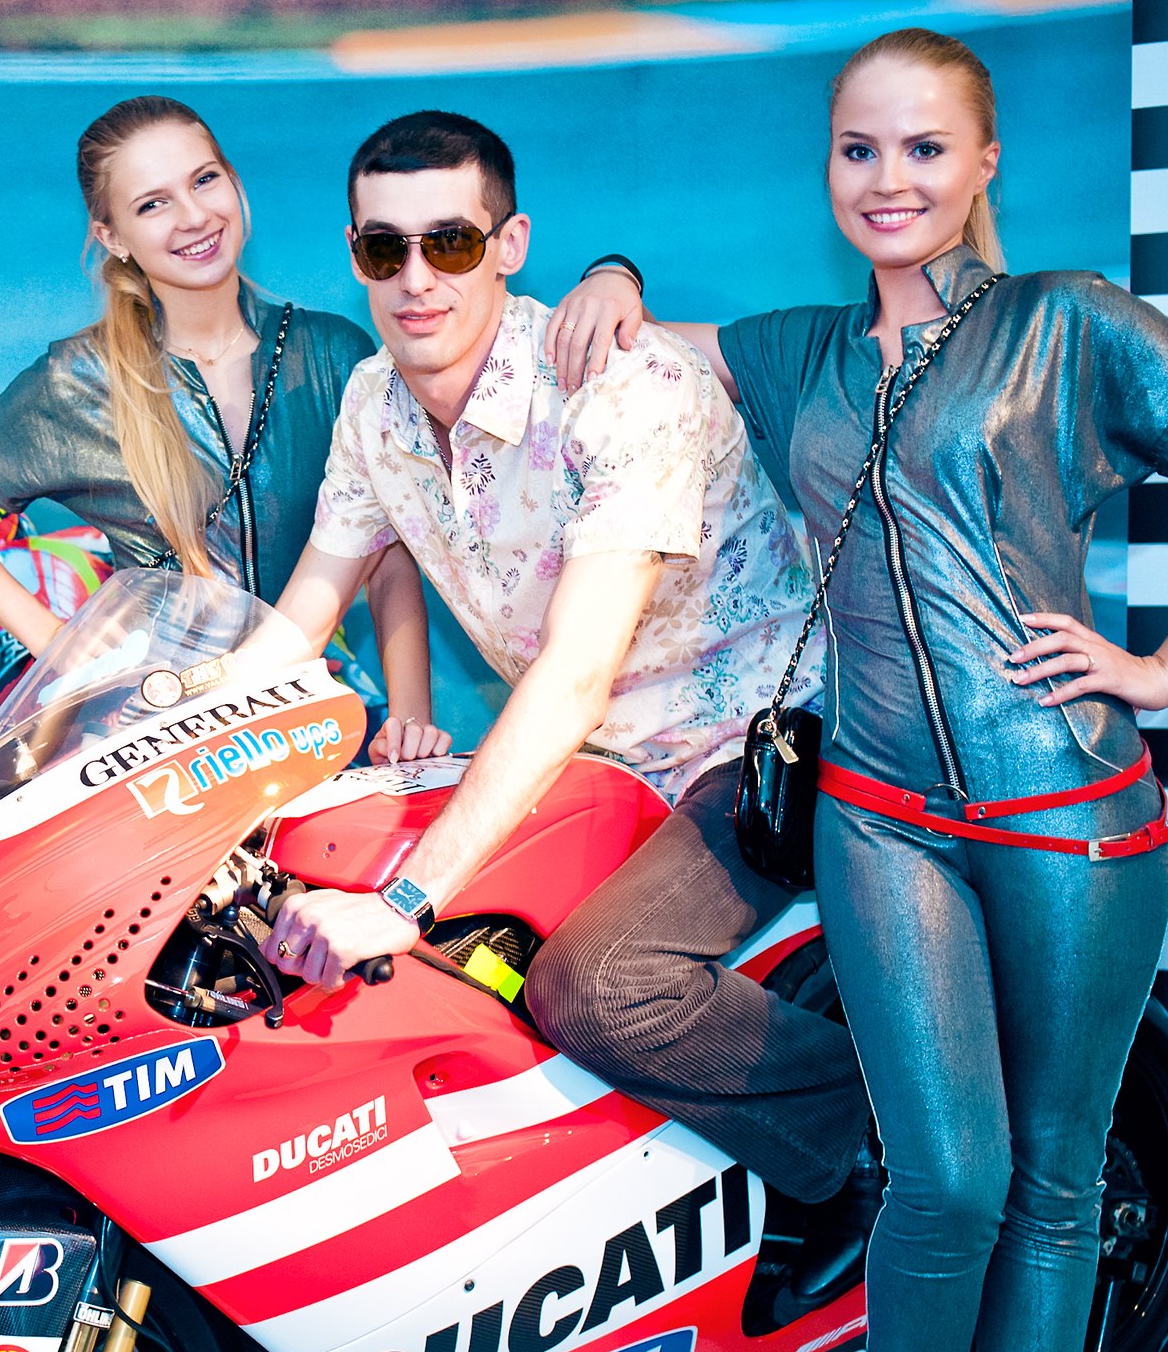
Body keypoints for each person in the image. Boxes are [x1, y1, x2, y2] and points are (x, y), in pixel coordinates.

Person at [554, 29, 1168, 1352]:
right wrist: (614, 271)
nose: (889, 179)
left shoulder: (1068, 320)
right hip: (881, 818)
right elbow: (637, 335)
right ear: (830, 168)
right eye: (860, 149)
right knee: (947, 1176)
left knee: (1052, 1185)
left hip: (1071, 818)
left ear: (984, 164)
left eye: (925, 149)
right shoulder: (799, 352)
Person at [265, 111, 877, 1263]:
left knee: (595, 988)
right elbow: (297, 623)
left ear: (508, 245)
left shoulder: (618, 389)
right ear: (354, 254)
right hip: (601, 759)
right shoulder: (370, 405)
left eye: (449, 242)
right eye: (384, 249)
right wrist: (142, 740)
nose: (415, 279)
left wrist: (404, 899)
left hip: (755, 743)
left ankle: (886, 1131)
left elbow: (576, 669)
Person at [0, 94, 447, 763]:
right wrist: (60, 649)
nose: (193, 216)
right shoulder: (80, 381)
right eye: (153, 204)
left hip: (310, 712)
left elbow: (386, 554)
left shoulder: (335, 354)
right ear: (113, 238)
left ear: (234, 182)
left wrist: (410, 722)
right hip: (152, 734)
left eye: (204, 179)